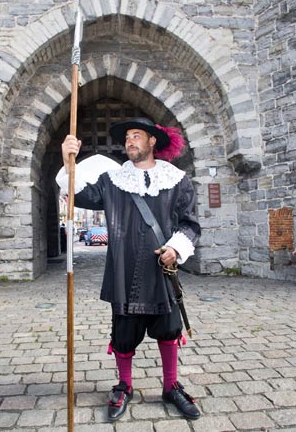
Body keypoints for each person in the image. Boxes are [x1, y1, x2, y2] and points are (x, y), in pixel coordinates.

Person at [56, 117, 201, 421]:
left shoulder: (177, 180)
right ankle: (124, 385)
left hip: (161, 272)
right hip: (125, 273)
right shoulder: (112, 181)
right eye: (127, 138)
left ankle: (171, 386)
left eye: (137, 136)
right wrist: (68, 161)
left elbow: (190, 225)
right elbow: (80, 194)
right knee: (123, 334)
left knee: (168, 330)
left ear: (152, 142)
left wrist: (175, 248)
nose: (130, 141)